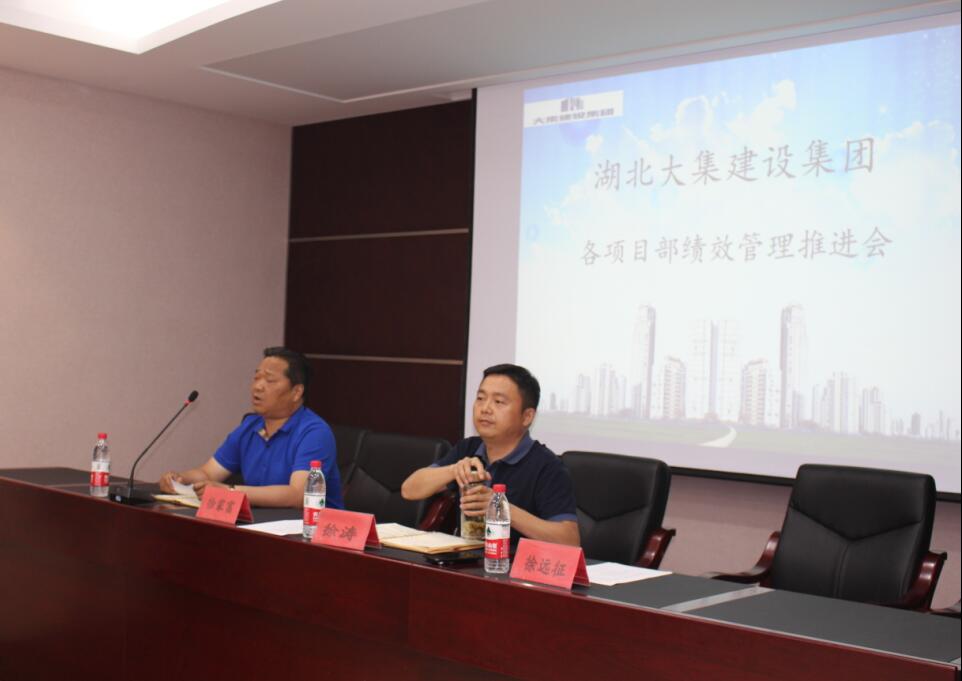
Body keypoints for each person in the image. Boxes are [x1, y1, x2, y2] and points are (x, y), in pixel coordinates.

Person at [401, 364, 579, 546]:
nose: (485, 408)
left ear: (527, 416)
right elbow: (409, 490)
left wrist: (500, 507)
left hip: (512, 562)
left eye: (498, 402)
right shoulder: (468, 448)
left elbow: (569, 541)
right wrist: (454, 470)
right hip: (465, 558)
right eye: (480, 398)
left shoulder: (547, 466)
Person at [159, 347, 343, 509]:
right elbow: (208, 473)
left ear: (296, 392)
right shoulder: (250, 426)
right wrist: (180, 479)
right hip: (261, 525)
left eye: (269, 380)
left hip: (312, 530)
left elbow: (298, 495)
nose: (257, 387)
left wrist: (230, 491)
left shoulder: (314, 433)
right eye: (256, 378)